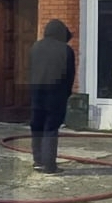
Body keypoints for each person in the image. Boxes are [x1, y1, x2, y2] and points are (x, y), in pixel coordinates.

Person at [27, 18, 76, 174]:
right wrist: (66, 93)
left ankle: (38, 161)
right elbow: (70, 75)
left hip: (37, 94)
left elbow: (30, 71)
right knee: (50, 129)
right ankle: (49, 165)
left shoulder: (35, 47)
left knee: (37, 127)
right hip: (56, 95)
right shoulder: (66, 50)